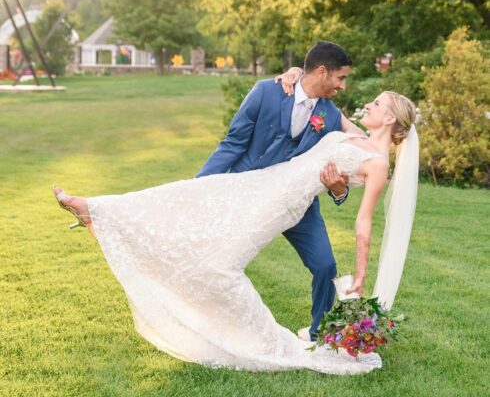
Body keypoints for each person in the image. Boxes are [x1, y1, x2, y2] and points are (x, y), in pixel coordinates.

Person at [53, 91, 419, 375]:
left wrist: (359, 275)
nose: (368, 104)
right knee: (193, 194)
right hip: (264, 181)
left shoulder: (377, 165)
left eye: (377, 103)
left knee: (222, 263)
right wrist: (294, 72)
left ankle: (256, 341)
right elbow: (322, 99)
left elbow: (364, 222)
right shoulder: (354, 134)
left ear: (389, 117)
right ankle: (98, 211)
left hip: (281, 202)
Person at [197, 41, 364, 342]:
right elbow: (234, 143)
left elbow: (362, 146)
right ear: (323, 72)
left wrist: (339, 190)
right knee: (222, 262)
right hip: (251, 196)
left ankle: (318, 333)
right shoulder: (266, 92)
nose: (343, 86)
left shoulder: (330, 113)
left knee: (325, 265)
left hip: (298, 204)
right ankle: (209, 325)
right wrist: (200, 185)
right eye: (341, 77)